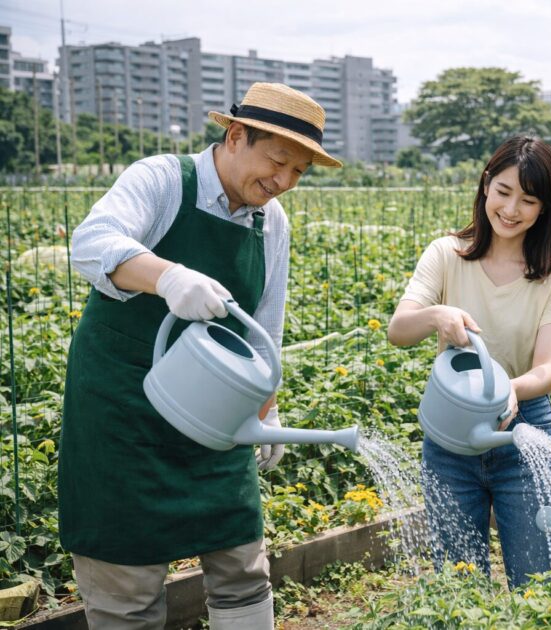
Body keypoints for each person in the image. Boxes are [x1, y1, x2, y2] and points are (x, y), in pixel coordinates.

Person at [59, 82, 342, 629]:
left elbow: (265, 325)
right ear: (236, 135)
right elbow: (92, 242)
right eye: (277, 161)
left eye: (298, 173)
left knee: (242, 568)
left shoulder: (270, 221)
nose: (283, 182)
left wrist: (266, 410)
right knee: (127, 587)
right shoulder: (163, 179)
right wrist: (167, 277)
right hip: (123, 414)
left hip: (216, 414)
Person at [387, 135, 551, 588]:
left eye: (528, 199)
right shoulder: (446, 255)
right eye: (503, 191)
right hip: (451, 435)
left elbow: (546, 372)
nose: (512, 209)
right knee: (457, 583)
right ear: (485, 186)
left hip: (524, 432)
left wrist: (507, 391)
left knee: (538, 583)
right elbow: (398, 330)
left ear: (545, 209)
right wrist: (436, 315)